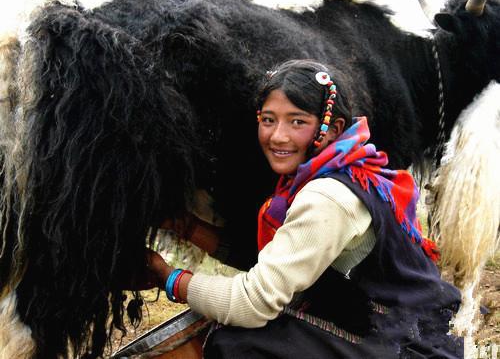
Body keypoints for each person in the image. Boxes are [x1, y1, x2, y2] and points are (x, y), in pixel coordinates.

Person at [132, 59, 463, 358]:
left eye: (297, 122)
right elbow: (280, 262)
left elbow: (253, 302)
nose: (278, 136)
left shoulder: (327, 196)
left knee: (236, 345)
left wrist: (169, 277)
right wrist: (187, 228)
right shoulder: (341, 170)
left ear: (331, 129)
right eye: (268, 119)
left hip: (406, 344)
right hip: (399, 324)